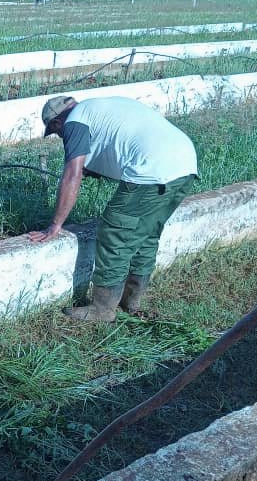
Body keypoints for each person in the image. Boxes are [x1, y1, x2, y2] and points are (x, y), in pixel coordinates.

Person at [28, 95, 198, 322]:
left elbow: (72, 174)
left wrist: (55, 225)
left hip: (154, 169)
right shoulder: (99, 107)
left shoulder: (74, 121)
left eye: (56, 132)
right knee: (146, 233)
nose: (61, 136)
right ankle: (131, 302)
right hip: (185, 164)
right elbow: (121, 143)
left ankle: (103, 309)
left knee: (114, 231)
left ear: (57, 122)